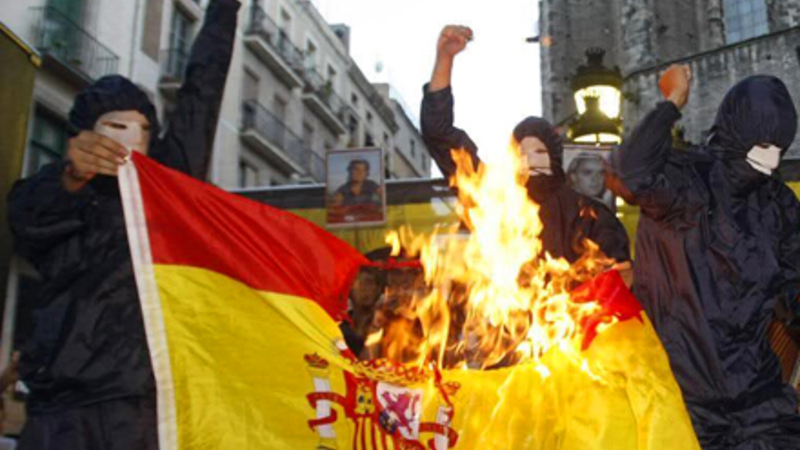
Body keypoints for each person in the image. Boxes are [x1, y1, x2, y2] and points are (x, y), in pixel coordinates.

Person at [7, 1, 240, 448]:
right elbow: (28, 220)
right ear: (83, 133)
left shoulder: (168, 186)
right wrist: (73, 178)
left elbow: (203, 91)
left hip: (141, 406)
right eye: (114, 126)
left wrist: (225, 8)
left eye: (143, 130)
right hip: (60, 408)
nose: (130, 140)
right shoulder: (51, 191)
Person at [619, 64, 800, 449]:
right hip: (686, 403)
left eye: (780, 149)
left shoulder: (779, 202)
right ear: (739, 134)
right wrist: (673, 102)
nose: (771, 161)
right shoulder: (685, 179)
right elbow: (633, 171)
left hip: (759, 400)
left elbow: (795, 282)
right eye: (763, 146)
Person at [421, 25, 630, 265]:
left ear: (553, 157)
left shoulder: (588, 213)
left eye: (539, 152)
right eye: (522, 154)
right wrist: (445, 58)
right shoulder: (495, 197)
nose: (530, 160)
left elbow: (615, 270)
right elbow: (439, 134)